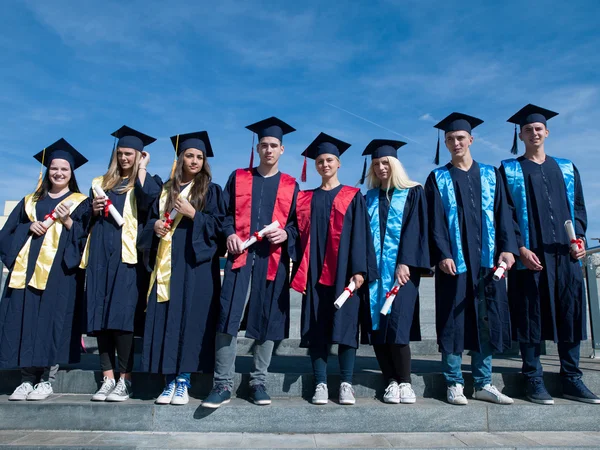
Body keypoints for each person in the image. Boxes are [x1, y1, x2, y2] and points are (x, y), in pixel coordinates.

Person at [500, 104, 600, 405]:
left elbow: (578, 208)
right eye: (528, 129)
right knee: (529, 316)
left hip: (564, 255)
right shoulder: (510, 170)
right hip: (530, 256)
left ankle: (572, 378)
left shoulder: (567, 168)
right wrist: (519, 248)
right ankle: (532, 377)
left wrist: (579, 238)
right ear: (521, 134)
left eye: (538, 129)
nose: (534, 133)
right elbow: (506, 213)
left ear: (547, 132)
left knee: (570, 313)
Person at [203, 117, 299, 408]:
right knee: (228, 317)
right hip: (240, 259)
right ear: (257, 148)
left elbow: (297, 225)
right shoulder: (239, 177)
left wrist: (286, 233)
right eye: (264, 145)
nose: (268, 150)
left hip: (273, 261)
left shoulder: (291, 185)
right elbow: (224, 215)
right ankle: (222, 383)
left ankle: (258, 380)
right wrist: (230, 233)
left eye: (274, 146)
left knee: (268, 320)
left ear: (282, 149)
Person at [425, 113, 518, 406]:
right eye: (450, 139)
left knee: (486, 318)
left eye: (460, 138)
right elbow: (434, 221)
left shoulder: (491, 174)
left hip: (488, 263)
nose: (455, 143)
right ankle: (453, 382)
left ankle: (483, 382)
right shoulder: (437, 177)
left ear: (471, 140)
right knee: (452, 319)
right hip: (454, 262)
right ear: (445, 142)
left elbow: (505, 214)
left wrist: (508, 248)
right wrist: (442, 254)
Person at [291, 132, 378, 406]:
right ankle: (319, 383)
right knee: (318, 328)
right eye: (319, 161)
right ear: (315, 166)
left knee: (346, 328)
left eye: (329, 160)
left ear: (338, 163)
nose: (324, 164)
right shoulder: (305, 199)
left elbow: (362, 236)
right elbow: (297, 236)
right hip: (315, 272)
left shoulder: (353, 196)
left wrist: (359, 270)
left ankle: (346, 384)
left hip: (344, 273)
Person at [139, 131, 225, 406]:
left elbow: (220, 230)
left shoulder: (210, 191)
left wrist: (193, 214)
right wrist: (154, 226)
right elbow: (147, 224)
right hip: (166, 264)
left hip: (195, 267)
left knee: (191, 320)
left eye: (200, 157)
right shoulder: (165, 190)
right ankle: (168, 381)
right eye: (190, 155)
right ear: (179, 159)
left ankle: (184, 379)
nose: (195, 160)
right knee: (166, 318)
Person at [0, 139, 90, 401]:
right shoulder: (30, 202)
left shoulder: (80, 202)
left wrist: (68, 220)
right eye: (54, 168)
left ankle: (47, 381)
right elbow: (6, 235)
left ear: (71, 173)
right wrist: (27, 228)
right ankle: (26, 379)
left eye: (64, 169)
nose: (59, 173)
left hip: (60, 274)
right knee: (25, 320)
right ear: (46, 171)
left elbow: (86, 239)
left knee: (53, 322)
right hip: (26, 272)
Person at [81, 126, 162, 402]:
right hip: (100, 258)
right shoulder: (99, 183)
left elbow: (151, 202)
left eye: (130, 154)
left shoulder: (146, 181)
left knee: (123, 317)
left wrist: (142, 168)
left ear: (139, 155)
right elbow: (84, 221)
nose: (125, 158)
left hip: (128, 260)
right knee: (101, 318)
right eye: (121, 153)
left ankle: (125, 380)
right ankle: (107, 377)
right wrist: (91, 210)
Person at [360, 139, 429, 404]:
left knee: (398, 327)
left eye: (385, 162)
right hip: (374, 273)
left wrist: (405, 262)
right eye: (376, 164)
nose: (380, 167)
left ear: (395, 164)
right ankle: (390, 381)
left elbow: (416, 230)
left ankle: (406, 382)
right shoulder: (368, 199)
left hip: (402, 274)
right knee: (378, 328)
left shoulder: (413, 192)